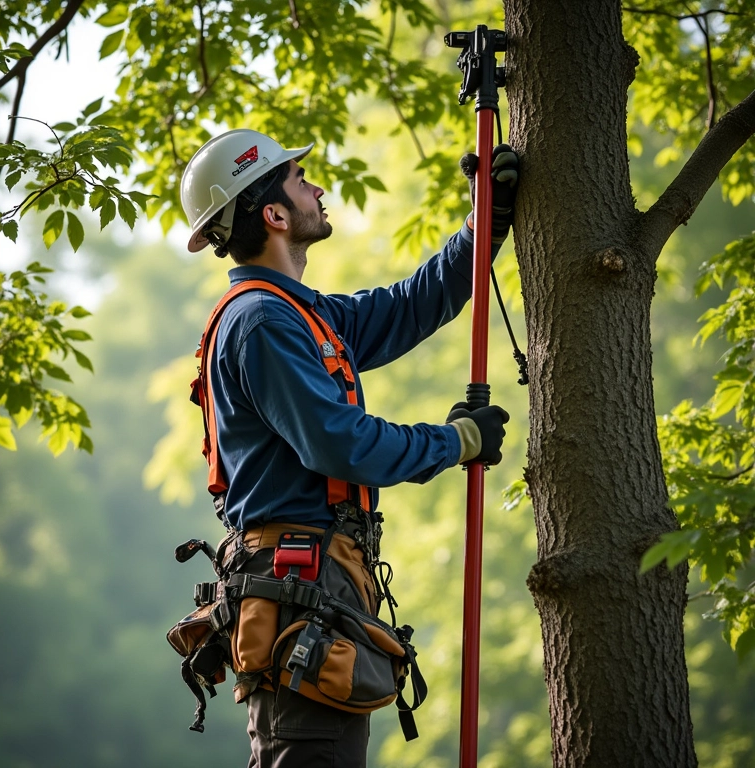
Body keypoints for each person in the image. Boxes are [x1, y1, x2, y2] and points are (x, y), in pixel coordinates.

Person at [179, 129, 518, 767]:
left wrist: (484, 225)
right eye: (299, 180)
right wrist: (454, 443)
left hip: (319, 582)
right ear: (275, 216)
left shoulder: (300, 314)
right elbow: (341, 444)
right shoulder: (261, 323)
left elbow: (410, 306)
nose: (317, 188)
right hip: (299, 587)